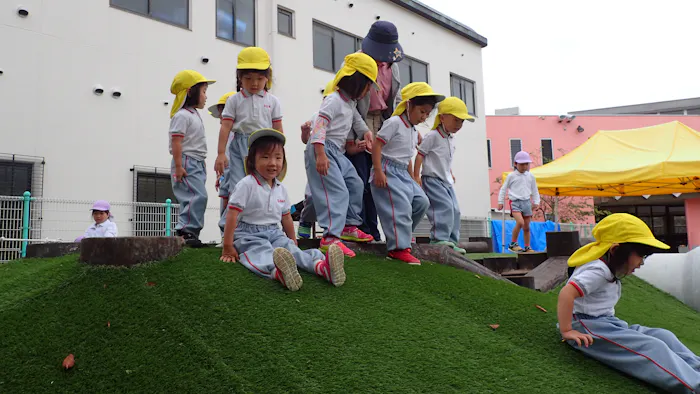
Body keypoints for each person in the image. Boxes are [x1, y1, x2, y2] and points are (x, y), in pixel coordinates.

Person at [557, 213, 700, 393]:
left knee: (663, 336)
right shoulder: (597, 270)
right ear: (616, 250)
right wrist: (567, 330)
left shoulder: (605, 268)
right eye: (640, 255)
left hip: (608, 323)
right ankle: (693, 385)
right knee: (652, 347)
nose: (642, 263)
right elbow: (566, 293)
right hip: (588, 326)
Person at [220, 129, 346, 291]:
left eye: (278, 158)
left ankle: (322, 267)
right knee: (261, 252)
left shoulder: (281, 189)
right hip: (248, 234)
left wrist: (292, 241)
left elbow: (286, 217)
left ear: (283, 162)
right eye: (265, 157)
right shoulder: (246, 184)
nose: (272, 163)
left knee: (292, 250)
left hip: (275, 232)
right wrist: (227, 246)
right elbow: (232, 214)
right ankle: (279, 273)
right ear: (252, 161)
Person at [306, 53, 378, 257]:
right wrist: (320, 154)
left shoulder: (350, 104)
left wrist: (366, 133)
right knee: (336, 192)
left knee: (355, 183)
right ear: (357, 82)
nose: (368, 92)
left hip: (337, 152)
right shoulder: (333, 100)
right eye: (368, 86)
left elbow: (357, 122)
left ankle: (348, 226)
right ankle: (330, 237)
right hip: (322, 148)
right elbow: (319, 125)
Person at [370, 82, 443, 265]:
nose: (424, 116)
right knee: (399, 206)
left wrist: (413, 179)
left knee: (421, 201)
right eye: (422, 111)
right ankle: (398, 248)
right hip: (388, 169)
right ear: (409, 105)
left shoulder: (412, 129)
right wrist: (378, 171)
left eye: (428, 113)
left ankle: (402, 236)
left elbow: (407, 156)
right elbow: (377, 145)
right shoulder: (394, 123)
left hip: (403, 172)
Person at [346, 21, 404, 243]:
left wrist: (398, 125)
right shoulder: (356, 62)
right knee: (359, 175)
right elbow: (349, 102)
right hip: (359, 120)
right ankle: (357, 225)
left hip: (382, 121)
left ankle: (372, 229)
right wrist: (361, 131)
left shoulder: (393, 66)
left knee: (376, 178)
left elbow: (396, 98)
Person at [215, 47, 283, 233]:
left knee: (264, 186)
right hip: (238, 146)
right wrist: (221, 153)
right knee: (237, 186)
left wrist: (280, 154)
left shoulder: (273, 101)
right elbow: (226, 127)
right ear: (239, 78)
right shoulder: (234, 100)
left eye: (259, 79)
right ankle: (229, 230)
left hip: (264, 147)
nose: (254, 83)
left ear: (267, 78)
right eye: (248, 79)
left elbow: (278, 128)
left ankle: (265, 225)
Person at [414, 97, 474, 255]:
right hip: (432, 179)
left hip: (445, 180)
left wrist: (450, 172)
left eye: (461, 122)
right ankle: (438, 238)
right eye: (456, 120)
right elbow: (420, 155)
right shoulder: (433, 136)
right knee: (444, 207)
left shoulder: (450, 138)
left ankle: (451, 240)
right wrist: (416, 176)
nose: (459, 125)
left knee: (455, 209)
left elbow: (445, 158)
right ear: (442, 118)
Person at [169, 70, 215, 246]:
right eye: (203, 92)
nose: (205, 97)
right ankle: (186, 230)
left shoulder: (193, 114)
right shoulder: (182, 115)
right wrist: (179, 165)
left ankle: (191, 232)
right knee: (197, 195)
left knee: (197, 196)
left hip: (196, 162)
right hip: (187, 161)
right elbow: (176, 141)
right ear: (190, 92)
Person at [497, 151, 540, 253]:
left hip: (527, 202)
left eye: (526, 164)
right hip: (515, 202)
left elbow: (534, 190)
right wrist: (500, 201)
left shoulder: (530, 176)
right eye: (522, 164)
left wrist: (536, 201)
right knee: (520, 222)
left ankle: (527, 246)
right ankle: (513, 244)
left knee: (526, 227)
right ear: (515, 164)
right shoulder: (511, 176)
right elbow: (503, 189)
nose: (524, 166)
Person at [208, 91, 236, 223]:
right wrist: (220, 175)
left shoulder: (238, 132)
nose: (220, 117)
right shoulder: (226, 134)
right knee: (225, 197)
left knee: (232, 198)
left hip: (235, 170)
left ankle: (228, 229)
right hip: (226, 171)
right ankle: (224, 232)